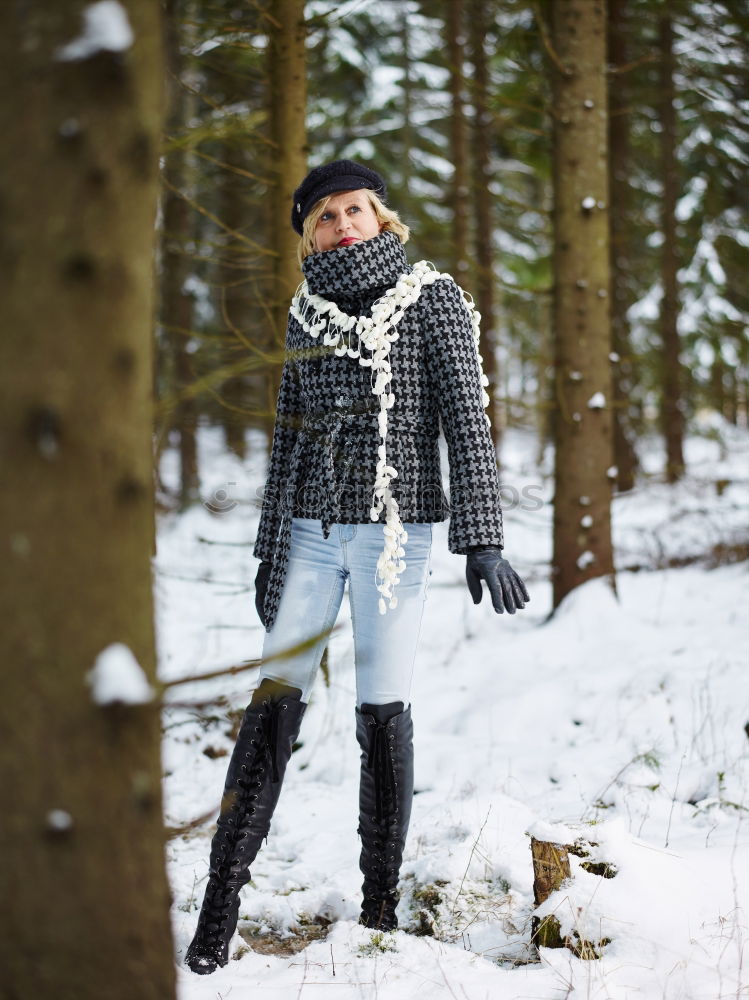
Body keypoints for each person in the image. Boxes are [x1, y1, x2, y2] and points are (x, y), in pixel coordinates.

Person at [185, 159, 529, 975]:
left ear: (382, 217)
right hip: (308, 530)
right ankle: (217, 910)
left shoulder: (431, 300)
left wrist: (481, 537)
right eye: (327, 217)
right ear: (310, 233)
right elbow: (287, 436)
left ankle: (377, 906)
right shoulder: (306, 310)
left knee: (382, 707)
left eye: (356, 211)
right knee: (272, 701)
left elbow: (465, 423)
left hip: (394, 538)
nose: (343, 226)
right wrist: (270, 546)